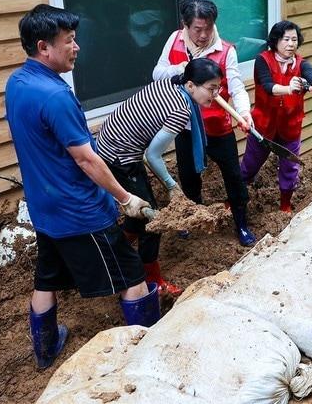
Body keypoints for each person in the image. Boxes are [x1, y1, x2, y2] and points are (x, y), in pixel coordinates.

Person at [7, 4, 160, 369]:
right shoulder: (56, 96)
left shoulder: (17, 82)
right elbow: (87, 159)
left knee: (46, 280)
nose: (77, 47)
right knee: (132, 276)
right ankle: (153, 354)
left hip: (44, 208)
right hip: (81, 213)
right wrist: (125, 198)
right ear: (44, 47)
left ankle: (46, 350)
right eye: (70, 41)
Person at [96, 59, 225, 297]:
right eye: (211, 88)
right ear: (190, 86)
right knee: (153, 220)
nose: (216, 94)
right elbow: (152, 156)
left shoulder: (171, 83)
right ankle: (152, 279)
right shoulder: (180, 109)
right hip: (119, 156)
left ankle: (111, 254)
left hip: (114, 144)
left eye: (219, 87)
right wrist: (172, 186)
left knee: (138, 216)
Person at [150, 0, 257, 246]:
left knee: (233, 175)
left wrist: (244, 113)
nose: (203, 34)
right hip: (186, 127)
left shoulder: (226, 50)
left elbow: (237, 87)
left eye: (208, 27)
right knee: (188, 177)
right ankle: (192, 217)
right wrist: (183, 68)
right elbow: (157, 73)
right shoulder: (174, 40)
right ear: (185, 25)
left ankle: (241, 223)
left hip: (218, 127)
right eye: (197, 29)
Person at [241, 21, 312, 213]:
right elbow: (267, 85)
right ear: (276, 41)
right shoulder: (263, 60)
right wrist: (288, 89)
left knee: (289, 168)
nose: (291, 44)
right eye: (286, 39)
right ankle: (236, 199)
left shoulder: (301, 63)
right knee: (250, 164)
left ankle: (285, 205)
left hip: (290, 126)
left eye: (294, 39)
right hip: (263, 125)